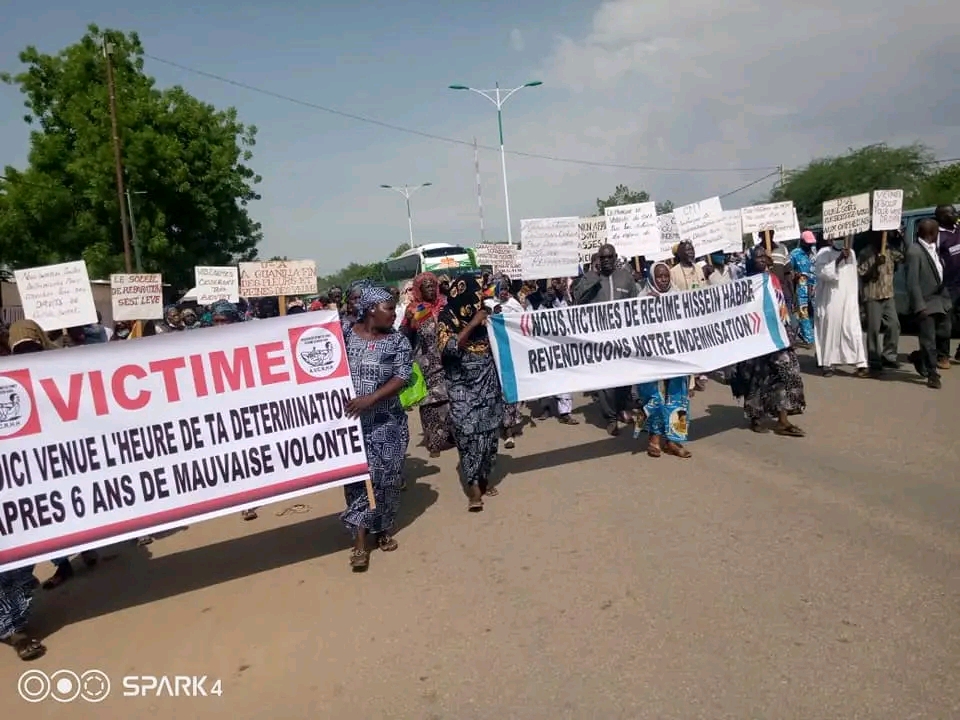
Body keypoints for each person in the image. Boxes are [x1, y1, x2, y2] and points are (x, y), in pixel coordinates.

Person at [341, 285, 413, 571]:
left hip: (387, 423)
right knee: (358, 479)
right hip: (352, 425)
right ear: (371, 309)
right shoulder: (345, 335)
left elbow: (402, 375)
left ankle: (383, 527)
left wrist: (371, 399)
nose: (394, 315)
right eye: (389, 309)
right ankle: (359, 540)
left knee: (385, 479)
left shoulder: (397, 341)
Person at [438, 276, 503, 512]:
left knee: (488, 436)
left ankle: (484, 476)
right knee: (467, 438)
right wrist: (473, 323)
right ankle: (473, 486)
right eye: (477, 295)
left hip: (488, 387)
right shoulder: (447, 318)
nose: (480, 300)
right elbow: (449, 349)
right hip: (462, 390)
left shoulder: (488, 315)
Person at [730, 247, 806, 436]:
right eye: (758, 257)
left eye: (765, 256)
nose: (763, 259)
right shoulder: (743, 283)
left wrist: (787, 331)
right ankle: (756, 417)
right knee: (756, 377)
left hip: (777, 335)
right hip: (755, 337)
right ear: (750, 261)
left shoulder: (772, 279)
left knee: (785, 372)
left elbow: (781, 304)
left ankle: (782, 419)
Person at [573, 243, 637, 435]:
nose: (607, 260)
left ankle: (621, 409)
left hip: (623, 338)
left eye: (610, 257)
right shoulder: (591, 278)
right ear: (598, 260)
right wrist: (592, 276)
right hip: (600, 340)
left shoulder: (625, 278)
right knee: (606, 382)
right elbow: (578, 299)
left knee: (625, 378)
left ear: (615, 258)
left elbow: (635, 305)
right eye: (603, 258)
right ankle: (610, 417)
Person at [634, 262, 692, 458]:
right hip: (652, 357)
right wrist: (649, 307)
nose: (663, 279)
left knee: (677, 398)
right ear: (651, 278)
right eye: (659, 276)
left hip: (675, 356)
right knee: (653, 397)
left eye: (666, 276)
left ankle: (673, 440)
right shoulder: (642, 298)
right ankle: (654, 438)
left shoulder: (678, 297)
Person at [402, 272, 453, 458]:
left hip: (446, 358)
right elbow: (404, 337)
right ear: (419, 289)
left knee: (449, 398)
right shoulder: (415, 309)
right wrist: (409, 322)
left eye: (434, 285)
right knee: (430, 402)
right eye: (427, 286)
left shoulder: (445, 305)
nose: (431, 289)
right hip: (426, 361)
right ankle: (434, 442)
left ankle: (450, 434)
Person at [907, 219, 952, 389]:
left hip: (941, 299)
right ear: (931, 234)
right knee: (928, 339)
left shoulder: (934, 248)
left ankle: (920, 357)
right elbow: (912, 282)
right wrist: (919, 306)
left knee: (944, 332)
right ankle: (933, 374)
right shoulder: (914, 251)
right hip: (926, 302)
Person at [814, 238, 868, 376]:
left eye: (841, 238)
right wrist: (838, 260)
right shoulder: (823, 253)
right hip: (831, 298)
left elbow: (852, 275)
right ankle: (828, 364)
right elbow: (823, 274)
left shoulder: (852, 253)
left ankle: (860, 363)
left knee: (852, 328)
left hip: (849, 297)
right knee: (831, 329)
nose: (838, 241)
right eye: (836, 239)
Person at [857, 231, 903, 375]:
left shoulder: (889, 250)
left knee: (894, 325)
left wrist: (900, 238)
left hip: (888, 294)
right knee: (874, 329)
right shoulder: (866, 253)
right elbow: (861, 274)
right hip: (872, 295)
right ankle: (874, 361)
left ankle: (889, 356)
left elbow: (904, 257)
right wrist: (874, 266)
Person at [935, 204, 960, 365]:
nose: (955, 215)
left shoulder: (958, 229)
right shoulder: (938, 235)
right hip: (947, 285)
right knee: (945, 321)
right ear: (942, 217)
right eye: (951, 213)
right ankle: (942, 355)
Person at [788, 231, 818, 346]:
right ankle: (808, 338)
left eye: (811, 243)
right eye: (808, 243)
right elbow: (789, 271)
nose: (810, 245)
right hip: (802, 287)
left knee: (815, 312)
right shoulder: (794, 254)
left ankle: (810, 334)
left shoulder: (814, 252)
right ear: (802, 241)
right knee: (803, 312)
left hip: (815, 286)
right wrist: (795, 275)